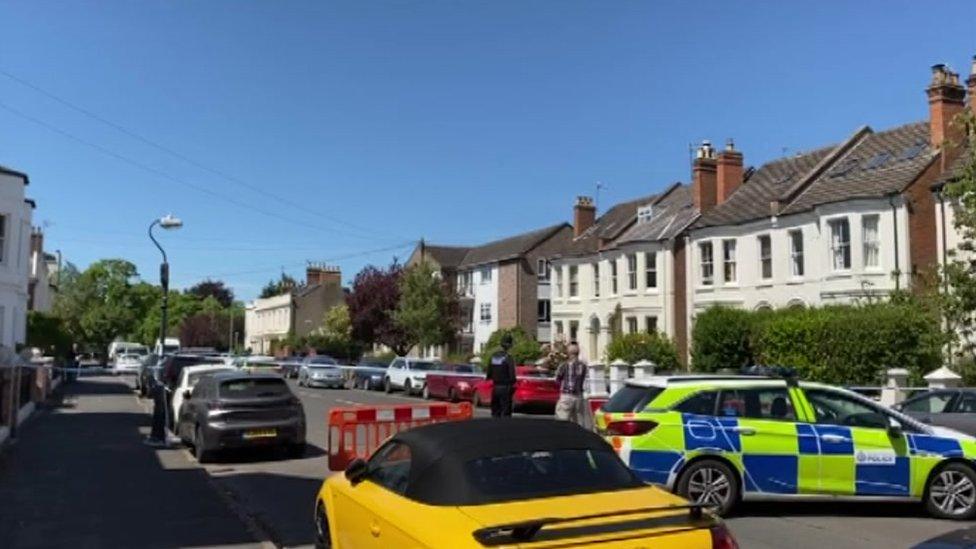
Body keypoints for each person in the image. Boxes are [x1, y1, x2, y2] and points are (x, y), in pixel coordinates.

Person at [555, 343, 588, 427]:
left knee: (562, 421)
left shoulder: (564, 365)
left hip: (566, 395)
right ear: (578, 353)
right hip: (578, 396)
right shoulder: (583, 366)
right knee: (578, 422)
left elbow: (557, 379)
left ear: (568, 353)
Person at [485, 333, 516, 417]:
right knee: (505, 411)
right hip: (506, 387)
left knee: (495, 411)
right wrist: (513, 384)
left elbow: (489, 373)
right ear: (510, 346)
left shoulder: (494, 357)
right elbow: (512, 374)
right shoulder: (508, 357)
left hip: (495, 387)